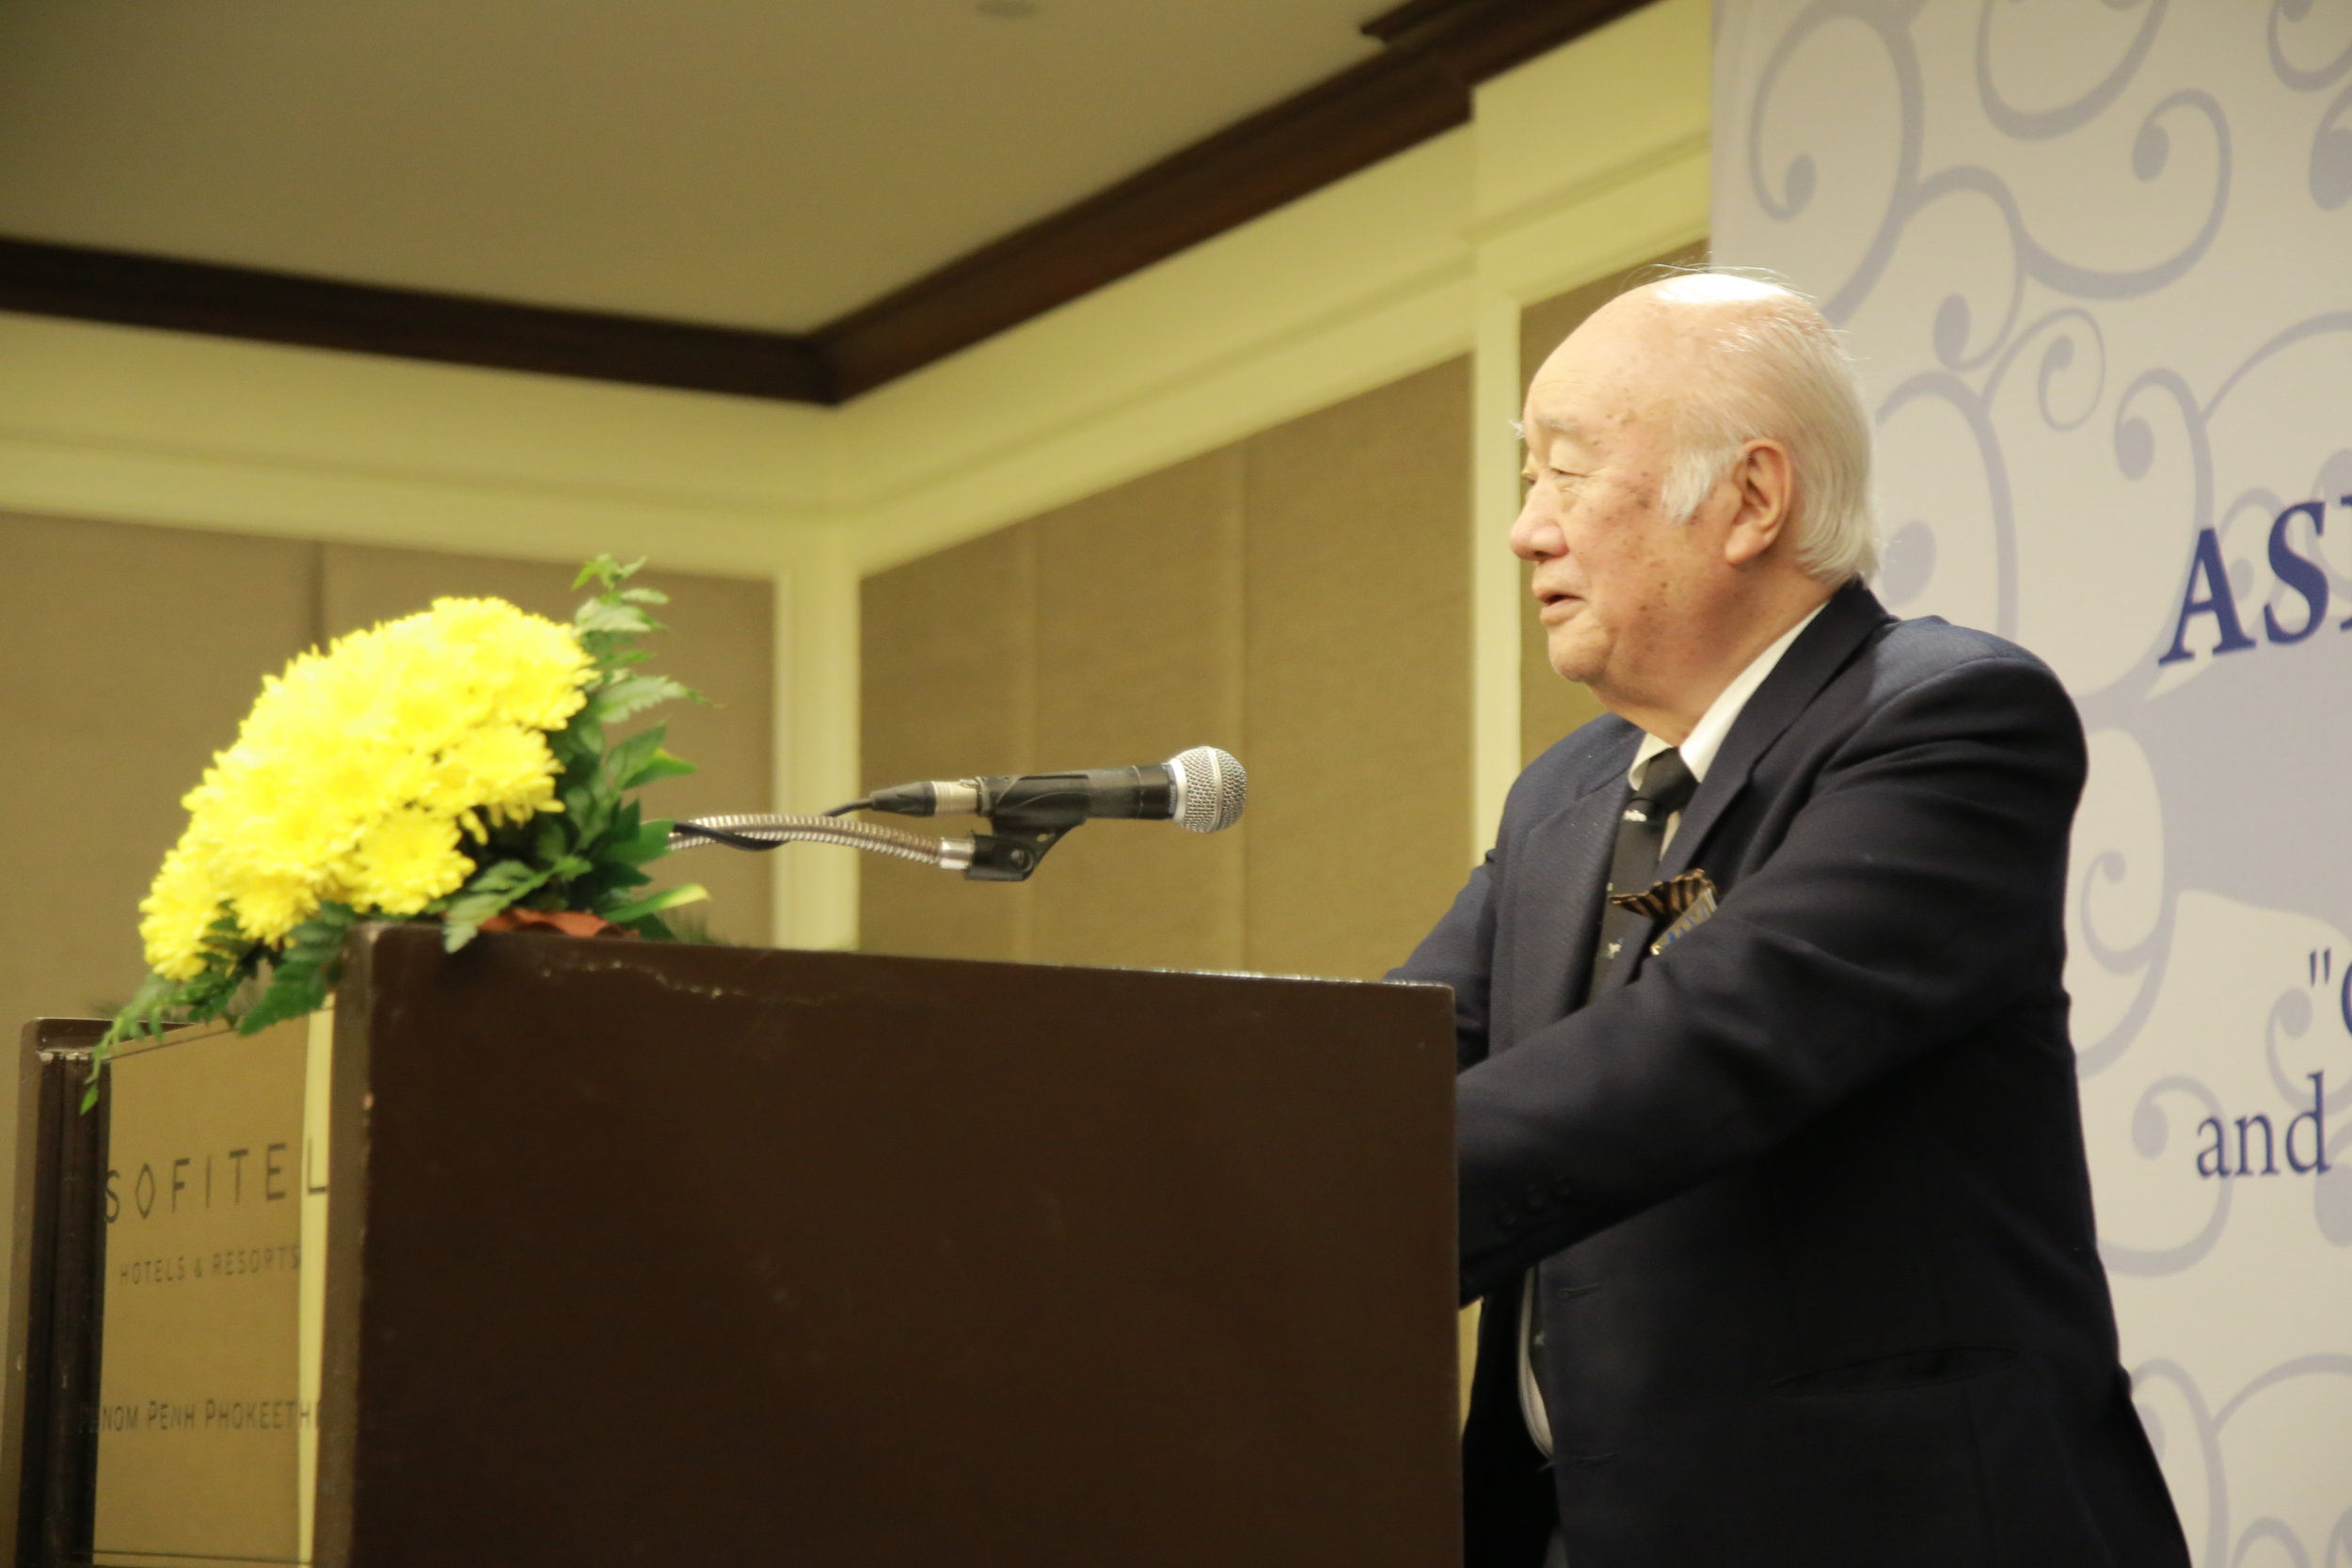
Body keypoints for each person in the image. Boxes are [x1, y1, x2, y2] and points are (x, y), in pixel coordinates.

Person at [1392, 273, 2189, 1567]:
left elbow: (1716, 1038)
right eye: (1528, 480)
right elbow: (1396, 1055)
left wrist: (1341, 1195)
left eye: (1567, 475)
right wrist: (1224, 1163)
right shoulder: (1561, 797)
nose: (1527, 532)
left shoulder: (1944, 717)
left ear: (1751, 499)